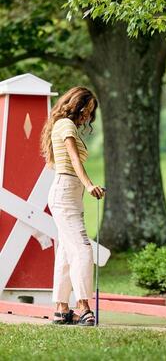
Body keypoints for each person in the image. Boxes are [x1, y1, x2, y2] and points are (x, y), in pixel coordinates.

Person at [41, 86, 105, 326]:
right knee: (83, 249)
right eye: (86, 109)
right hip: (66, 192)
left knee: (67, 252)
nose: (87, 116)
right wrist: (89, 185)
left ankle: (60, 308)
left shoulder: (66, 126)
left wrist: (86, 188)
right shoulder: (66, 125)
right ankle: (83, 306)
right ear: (75, 105)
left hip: (69, 194)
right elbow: (74, 159)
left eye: (90, 112)